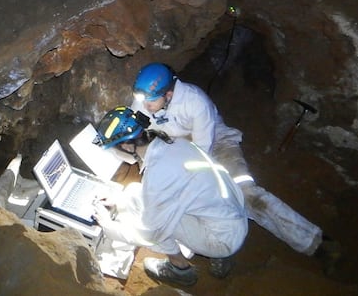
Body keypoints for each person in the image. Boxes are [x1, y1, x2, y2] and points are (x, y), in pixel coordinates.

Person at [128, 62, 341, 272]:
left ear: (169, 95)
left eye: (151, 100)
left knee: (246, 195)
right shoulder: (143, 102)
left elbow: (200, 155)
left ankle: (317, 244)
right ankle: (217, 243)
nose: (145, 106)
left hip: (215, 145)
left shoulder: (195, 102)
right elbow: (139, 139)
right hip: (175, 150)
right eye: (142, 99)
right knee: (182, 198)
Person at [91, 106, 247, 287]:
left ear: (126, 145)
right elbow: (161, 190)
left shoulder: (158, 173)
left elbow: (150, 232)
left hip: (222, 238)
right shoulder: (172, 143)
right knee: (134, 191)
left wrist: (108, 225)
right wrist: (120, 201)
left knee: (160, 223)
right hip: (232, 214)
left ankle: (180, 269)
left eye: (112, 149)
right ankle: (220, 254)